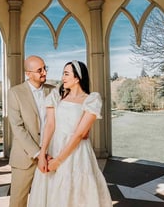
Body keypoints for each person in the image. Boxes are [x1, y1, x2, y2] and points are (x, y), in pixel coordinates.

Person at [28, 60, 113, 207]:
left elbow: (79, 134)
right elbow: (49, 125)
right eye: (63, 73)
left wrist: (59, 161)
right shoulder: (56, 96)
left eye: (66, 74)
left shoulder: (91, 99)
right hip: (54, 148)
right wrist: (42, 155)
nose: (63, 78)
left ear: (77, 77)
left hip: (77, 153)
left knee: (75, 194)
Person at [7, 55, 55, 207]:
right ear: (28, 73)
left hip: (51, 155)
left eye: (45, 68)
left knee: (50, 200)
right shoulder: (15, 93)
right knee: (18, 202)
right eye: (39, 70)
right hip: (24, 158)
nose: (44, 72)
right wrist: (37, 153)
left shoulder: (54, 91)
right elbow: (17, 128)